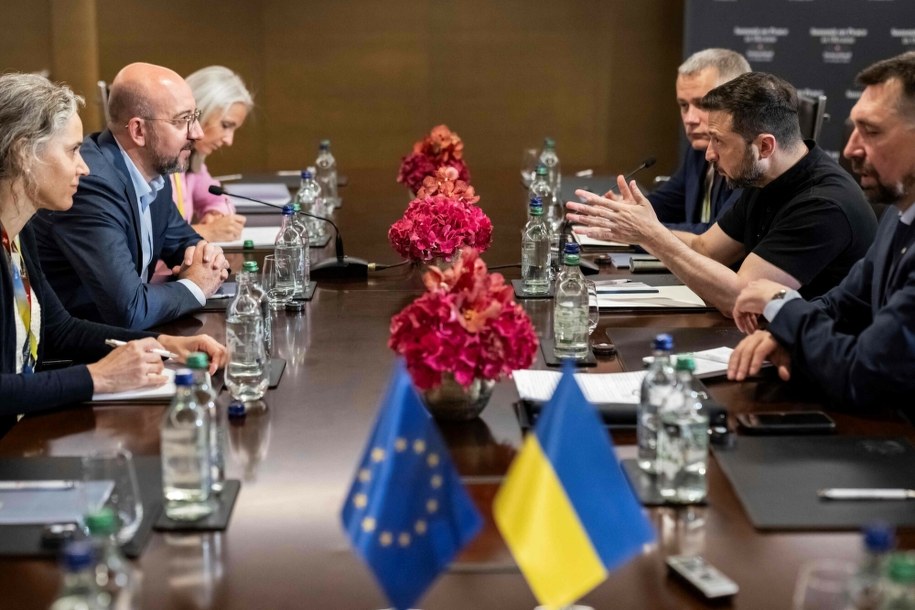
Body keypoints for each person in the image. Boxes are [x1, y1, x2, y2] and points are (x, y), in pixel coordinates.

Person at [0, 72, 225, 430]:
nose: (83, 166)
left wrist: (165, 344)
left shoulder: (18, 233)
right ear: (23, 154)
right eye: (72, 151)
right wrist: (98, 377)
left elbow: (60, 330)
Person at [567, 72, 877, 316]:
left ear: (764, 146)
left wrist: (651, 235)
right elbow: (705, 248)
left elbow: (742, 298)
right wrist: (638, 228)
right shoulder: (764, 176)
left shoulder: (823, 204)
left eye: (719, 141)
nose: (709, 155)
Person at [727, 52, 915, 411]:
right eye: (854, 128)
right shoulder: (898, 215)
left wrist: (782, 306)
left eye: (872, 131)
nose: (850, 148)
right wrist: (782, 332)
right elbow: (845, 303)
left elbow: (865, 374)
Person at [32, 62, 230, 330]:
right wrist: (195, 286)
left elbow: (184, 243)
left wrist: (208, 260)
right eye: (183, 120)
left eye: (195, 117)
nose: (197, 133)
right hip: (79, 345)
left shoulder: (155, 174)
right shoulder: (91, 185)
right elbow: (129, 310)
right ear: (138, 131)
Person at [644, 48, 750, 234]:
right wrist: (621, 210)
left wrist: (639, 230)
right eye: (684, 105)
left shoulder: (750, 161)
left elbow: (715, 237)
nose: (690, 119)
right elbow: (666, 204)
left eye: (702, 104)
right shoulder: (697, 150)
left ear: (736, 103)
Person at [173, 65, 252, 243]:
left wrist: (216, 214)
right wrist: (206, 231)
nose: (229, 141)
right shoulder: (159, 159)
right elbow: (150, 238)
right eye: (226, 125)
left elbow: (217, 199)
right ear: (198, 112)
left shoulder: (190, 157)